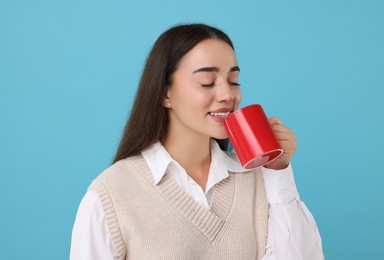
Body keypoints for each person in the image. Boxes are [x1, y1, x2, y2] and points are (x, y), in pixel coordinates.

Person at [70, 23, 324, 259]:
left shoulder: (258, 178)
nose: (228, 94)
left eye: (233, 81)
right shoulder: (111, 194)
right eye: (207, 82)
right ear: (164, 93)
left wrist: (278, 171)